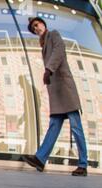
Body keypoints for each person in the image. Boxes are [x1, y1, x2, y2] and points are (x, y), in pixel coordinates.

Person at [22, 17, 88, 177]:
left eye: (37, 25)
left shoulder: (54, 35)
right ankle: (40, 158)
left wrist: (48, 70)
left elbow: (59, 52)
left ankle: (83, 165)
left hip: (65, 89)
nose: (36, 28)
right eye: (33, 28)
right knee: (53, 126)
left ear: (43, 23)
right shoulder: (43, 45)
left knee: (76, 127)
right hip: (56, 93)